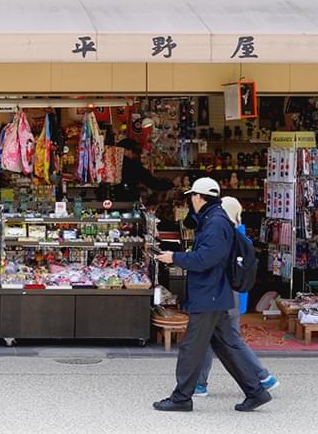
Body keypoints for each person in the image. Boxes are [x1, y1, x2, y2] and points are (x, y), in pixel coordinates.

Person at [152, 178, 273, 413]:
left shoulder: (215, 223)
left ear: (199, 197)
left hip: (209, 294)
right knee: (226, 346)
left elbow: (206, 258)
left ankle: (181, 398)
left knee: (191, 347)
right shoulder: (212, 218)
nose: (190, 201)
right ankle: (256, 391)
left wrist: (174, 258)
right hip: (215, 293)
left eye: (191, 197)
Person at [193, 195, 278, 398]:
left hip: (221, 295)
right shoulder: (239, 234)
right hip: (233, 295)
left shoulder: (224, 234)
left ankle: (262, 377)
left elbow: (210, 262)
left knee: (224, 339)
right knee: (220, 338)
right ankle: (200, 383)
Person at [116, 139, 174, 203]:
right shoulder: (132, 165)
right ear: (127, 151)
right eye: (135, 152)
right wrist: (172, 184)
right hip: (128, 201)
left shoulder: (113, 164)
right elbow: (153, 183)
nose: (136, 155)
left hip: (113, 201)